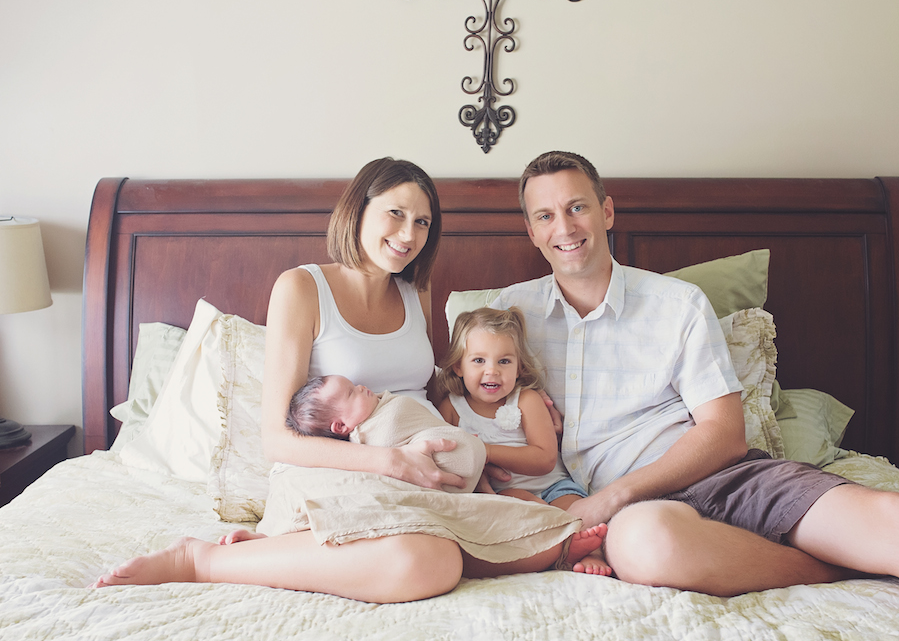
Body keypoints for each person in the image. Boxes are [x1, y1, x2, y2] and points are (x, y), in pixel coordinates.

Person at [490, 149, 899, 632]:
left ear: (606, 211)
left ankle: (871, 550)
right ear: (532, 231)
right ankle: (827, 568)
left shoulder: (677, 304)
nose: (565, 227)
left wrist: (610, 497)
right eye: (545, 215)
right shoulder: (506, 318)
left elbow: (725, 433)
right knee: (646, 547)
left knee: (894, 517)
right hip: (633, 520)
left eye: (577, 207)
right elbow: (456, 406)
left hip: (717, 475)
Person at [91, 157, 602, 602]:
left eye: (422, 222)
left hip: (416, 467)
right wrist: (387, 461)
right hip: (339, 468)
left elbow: (424, 398)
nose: (409, 235)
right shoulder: (301, 288)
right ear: (358, 210)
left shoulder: (413, 292)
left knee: (548, 540)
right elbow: (276, 438)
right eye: (396, 214)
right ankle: (201, 561)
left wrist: (478, 448)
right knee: (428, 562)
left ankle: (301, 552)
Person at [436, 306, 611, 576]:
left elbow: (544, 459)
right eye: (478, 360)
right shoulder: (451, 408)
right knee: (518, 503)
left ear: (519, 368)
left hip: (554, 486)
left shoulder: (526, 399)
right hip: (504, 494)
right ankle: (560, 548)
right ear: (458, 365)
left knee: (579, 515)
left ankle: (590, 551)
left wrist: (486, 451)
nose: (492, 371)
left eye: (504, 361)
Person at [283, 374, 486, 493]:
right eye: (351, 393)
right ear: (341, 426)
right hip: (447, 471)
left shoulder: (378, 408)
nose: (361, 387)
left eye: (354, 386)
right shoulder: (367, 438)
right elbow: (392, 430)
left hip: (465, 458)